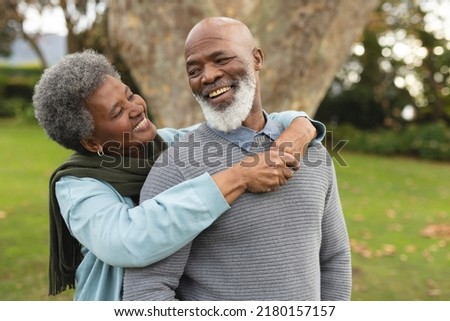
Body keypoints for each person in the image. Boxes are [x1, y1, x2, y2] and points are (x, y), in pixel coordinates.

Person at [32, 49, 326, 300]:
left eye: (130, 95)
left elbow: (247, 124)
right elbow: (129, 240)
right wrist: (240, 177)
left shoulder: (171, 144)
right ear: (92, 142)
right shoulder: (78, 187)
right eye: (117, 112)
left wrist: (301, 124)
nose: (135, 109)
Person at [123, 17, 352, 301]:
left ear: (257, 58)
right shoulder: (174, 168)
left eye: (221, 59)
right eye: (194, 70)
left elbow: (334, 259)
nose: (207, 76)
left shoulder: (312, 152)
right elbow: (146, 291)